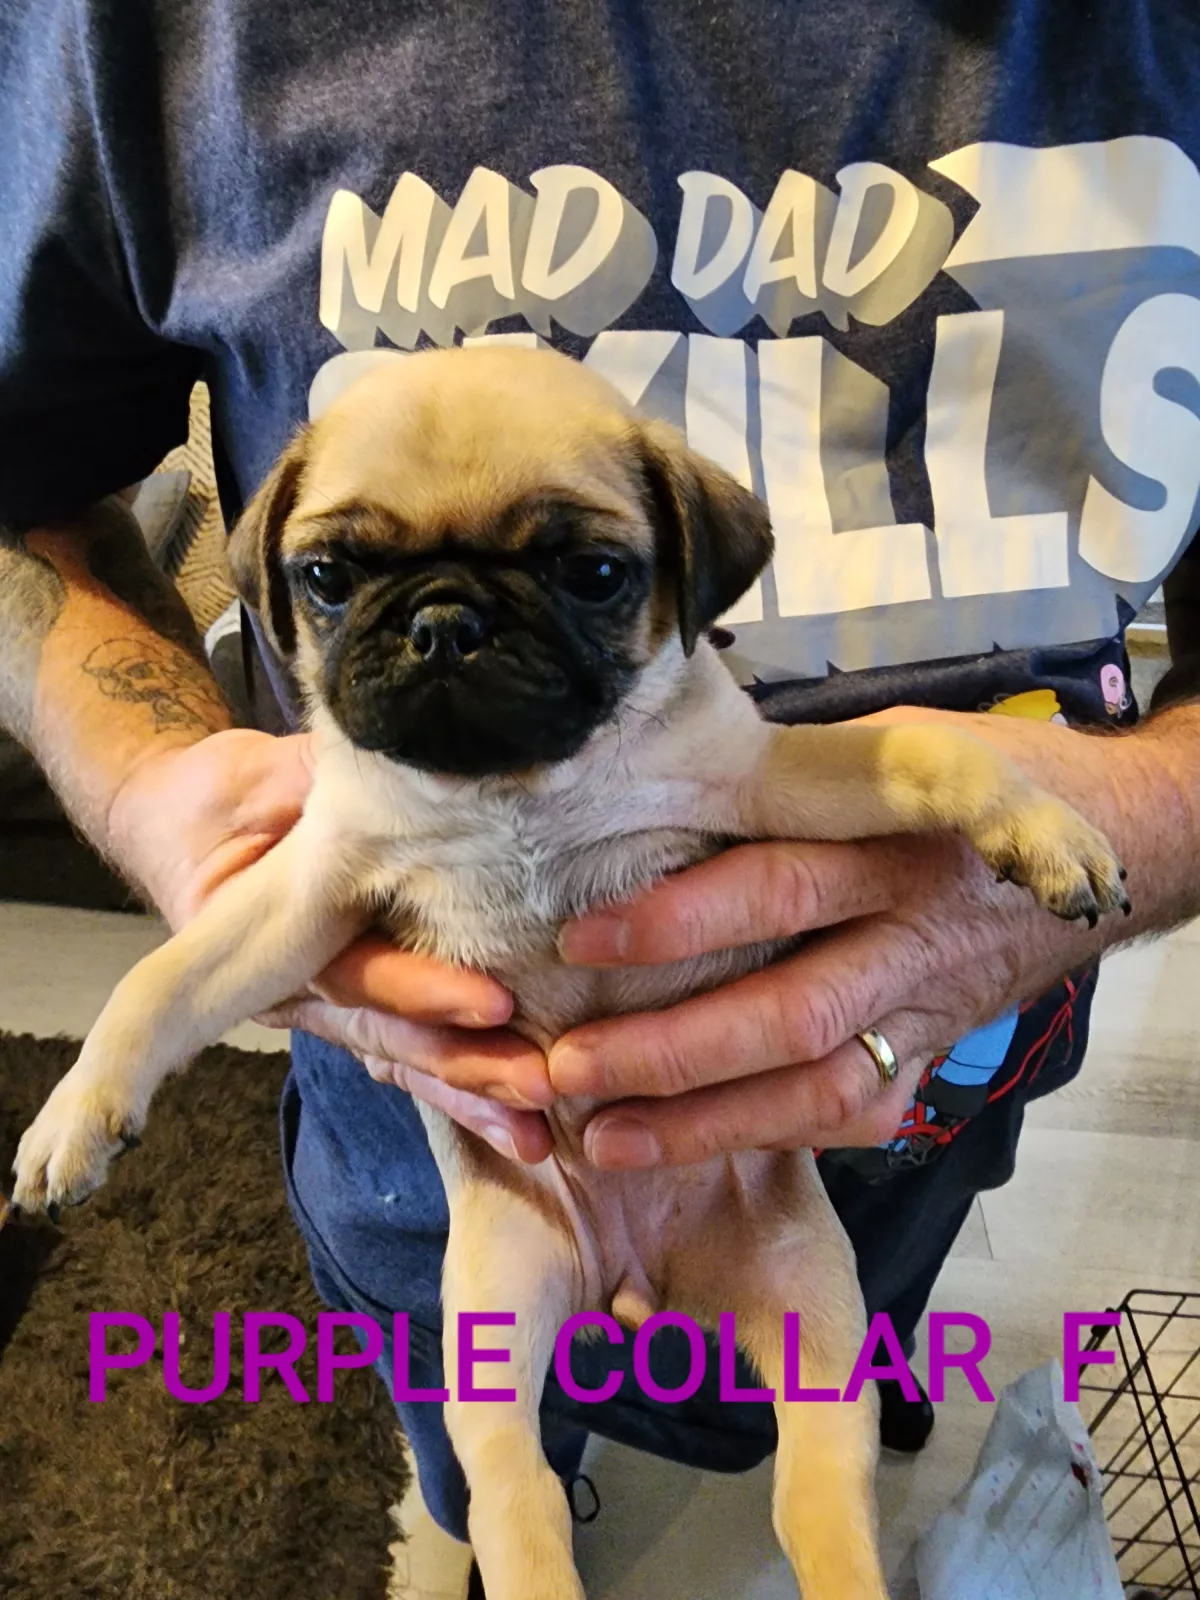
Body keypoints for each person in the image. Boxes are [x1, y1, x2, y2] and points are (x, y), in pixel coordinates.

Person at [3, 1, 1200, 1592]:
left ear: (690, 569)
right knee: (485, 1431)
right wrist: (148, 836)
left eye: (575, 573)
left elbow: (866, 767)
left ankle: (833, 1543)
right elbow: (239, 912)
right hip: (497, 1161)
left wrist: (1077, 815)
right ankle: (509, 1531)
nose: (444, 632)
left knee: (827, 1380)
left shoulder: (702, 723)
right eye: (347, 578)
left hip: (876, 1121)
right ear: (274, 572)